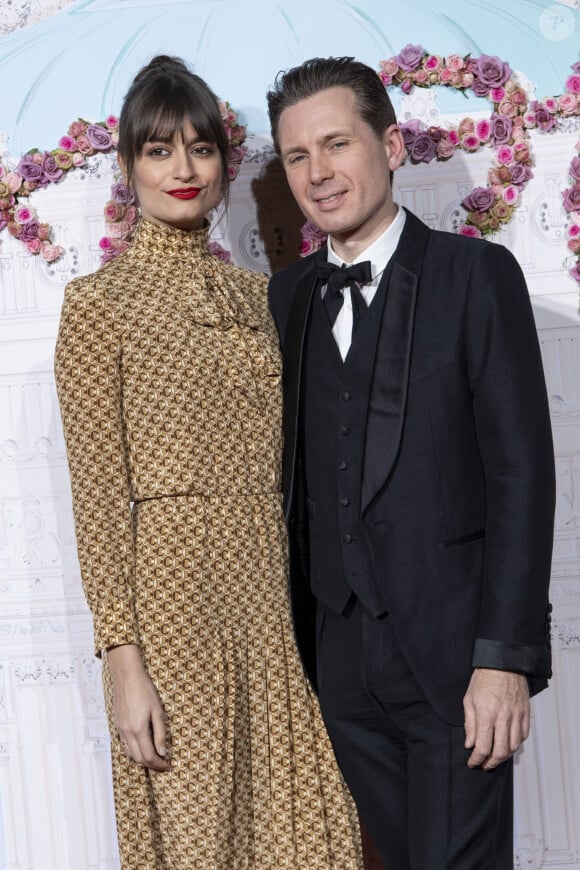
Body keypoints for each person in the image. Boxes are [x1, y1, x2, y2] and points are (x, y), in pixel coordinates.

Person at [55, 55, 362, 869]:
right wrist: (124, 662)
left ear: (227, 163)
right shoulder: (97, 307)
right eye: (159, 151)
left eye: (200, 148)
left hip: (272, 607)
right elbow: (96, 496)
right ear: (126, 167)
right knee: (202, 844)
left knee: (310, 840)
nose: (183, 170)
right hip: (172, 613)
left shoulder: (262, 299)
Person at [266, 56, 555, 869]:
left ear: (390, 145)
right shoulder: (286, 301)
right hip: (340, 666)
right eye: (297, 157)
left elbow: (521, 476)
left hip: (458, 660)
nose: (319, 174)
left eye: (337, 144)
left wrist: (503, 658)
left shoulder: (477, 276)